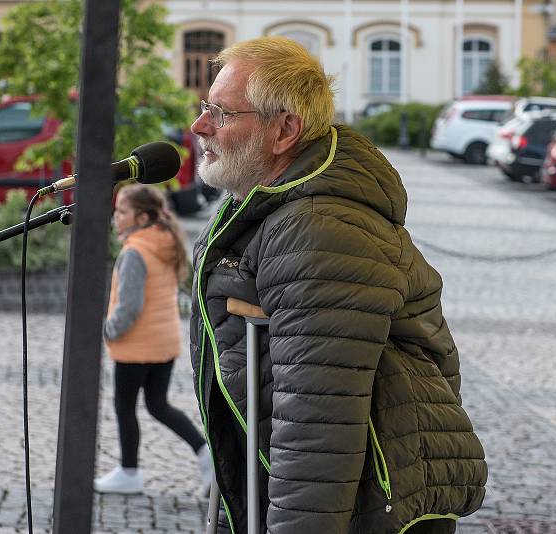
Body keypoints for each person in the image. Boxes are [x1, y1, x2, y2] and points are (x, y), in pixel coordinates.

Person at [189, 37, 487, 533]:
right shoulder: (270, 204)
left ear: (284, 130)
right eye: (205, 107)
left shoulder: (317, 227)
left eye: (221, 112)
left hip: (365, 509)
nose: (200, 126)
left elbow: (317, 429)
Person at [94, 184, 212, 496]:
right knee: (158, 404)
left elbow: (129, 307)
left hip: (138, 344)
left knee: (124, 407)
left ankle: (129, 472)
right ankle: (205, 454)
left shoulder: (135, 251)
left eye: (122, 212)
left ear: (142, 216)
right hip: (164, 342)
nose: (115, 217)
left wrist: (107, 330)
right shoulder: (165, 240)